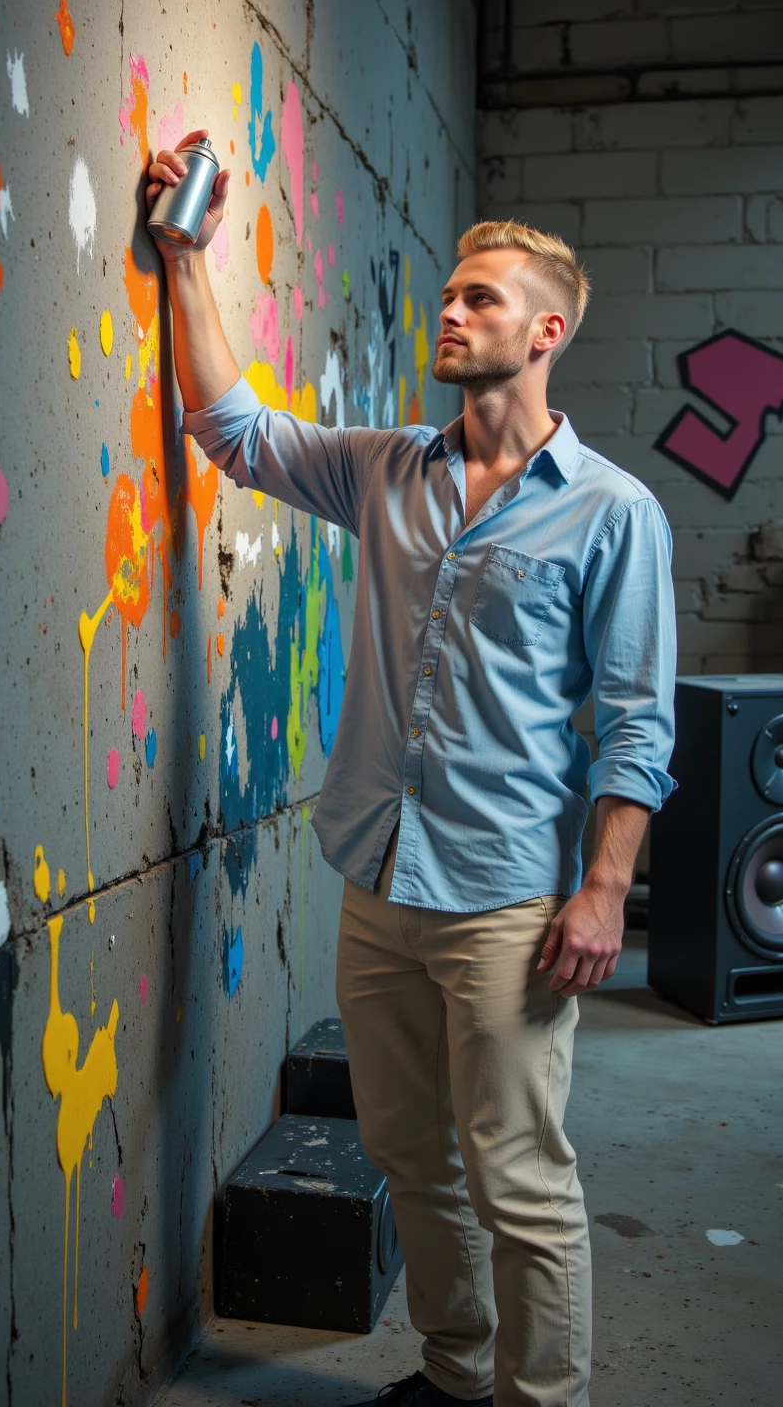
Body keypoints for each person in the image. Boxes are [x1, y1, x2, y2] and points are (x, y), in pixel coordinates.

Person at [147, 131, 677, 1407]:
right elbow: (234, 431)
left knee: (518, 1174)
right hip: (381, 881)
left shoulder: (612, 513)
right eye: (446, 294)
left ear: (544, 333)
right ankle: (451, 1373)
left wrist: (603, 888)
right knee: (404, 1151)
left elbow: (637, 723)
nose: (447, 311)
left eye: (478, 298)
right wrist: (183, 256)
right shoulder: (388, 470)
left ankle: (539, 1399)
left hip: (506, 899)